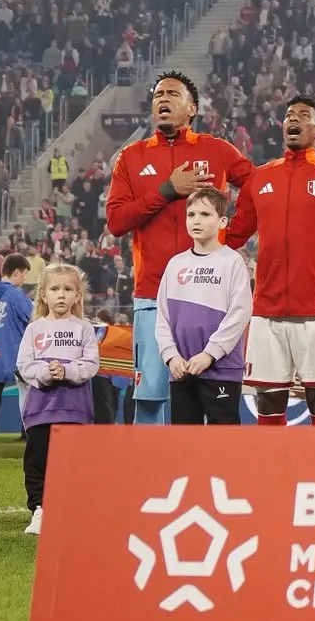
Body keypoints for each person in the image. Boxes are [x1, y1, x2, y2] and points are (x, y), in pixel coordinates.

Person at [105, 72, 252, 425]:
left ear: (192, 108)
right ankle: (152, 476)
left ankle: (211, 474)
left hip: (211, 296)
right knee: (150, 396)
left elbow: (261, 189)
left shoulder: (216, 150)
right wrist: (166, 190)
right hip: (153, 295)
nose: (162, 98)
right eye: (157, 94)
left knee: (209, 397)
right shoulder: (132, 157)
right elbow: (117, 221)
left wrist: (228, 238)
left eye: (172, 93)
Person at [227, 97, 315, 428]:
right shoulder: (258, 179)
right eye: (289, 115)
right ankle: (273, 476)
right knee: (269, 400)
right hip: (267, 310)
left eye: (304, 115)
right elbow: (234, 236)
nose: (294, 120)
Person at [155, 187, 253, 426]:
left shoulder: (232, 262)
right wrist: (171, 357)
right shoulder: (175, 264)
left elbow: (240, 313)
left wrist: (209, 354)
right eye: (191, 214)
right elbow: (162, 318)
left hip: (222, 370)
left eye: (205, 215)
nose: (196, 220)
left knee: (225, 444)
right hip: (182, 370)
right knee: (184, 446)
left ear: (222, 222)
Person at [14, 263, 97, 535]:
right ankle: (39, 509)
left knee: (74, 463)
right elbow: (24, 365)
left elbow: (90, 364)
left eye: (67, 289)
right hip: (40, 411)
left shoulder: (84, 328)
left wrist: (68, 370)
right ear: (43, 295)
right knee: (37, 461)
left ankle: (72, 509)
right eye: (54, 289)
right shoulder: (34, 329)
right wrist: (45, 373)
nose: (61, 294)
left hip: (75, 410)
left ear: (77, 296)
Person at [0, 254, 33, 447]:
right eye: (25, 274)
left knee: (23, 395)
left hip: (9, 356)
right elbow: (36, 319)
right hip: (24, 354)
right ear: (16, 271)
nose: (25, 279)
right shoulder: (15, 294)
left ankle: (30, 433)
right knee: (33, 396)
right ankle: (33, 433)